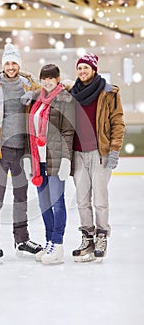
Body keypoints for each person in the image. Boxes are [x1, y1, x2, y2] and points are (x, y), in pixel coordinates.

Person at [0, 43, 43, 260]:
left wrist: (33, 93)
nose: (10, 66)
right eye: (7, 62)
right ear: (3, 64)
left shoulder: (27, 84)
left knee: (21, 196)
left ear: (19, 64)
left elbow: (46, 89)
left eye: (14, 62)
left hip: (21, 149)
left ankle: (22, 239)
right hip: (1, 149)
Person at [70, 53, 125, 262]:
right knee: (82, 200)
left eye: (86, 68)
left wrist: (114, 150)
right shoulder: (72, 92)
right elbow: (48, 87)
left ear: (94, 69)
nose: (82, 72)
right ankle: (87, 238)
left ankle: (102, 236)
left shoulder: (108, 92)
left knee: (100, 199)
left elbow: (117, 122)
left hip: (99, 153)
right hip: (78, 153)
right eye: (79, 68)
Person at [29, 64, 75, 265]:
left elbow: (68, 131)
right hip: (38, 160)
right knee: (43, 204)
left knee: (57, 203)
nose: (47, 82)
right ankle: (49, 241)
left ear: (58, 79)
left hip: (55, 158)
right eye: (43, 78)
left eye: (50, 78)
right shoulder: (38, 100)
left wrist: (65, 158)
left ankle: (58, 244)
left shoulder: (65, 99)